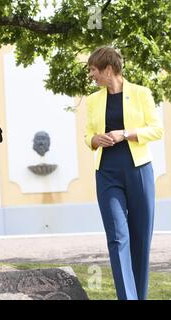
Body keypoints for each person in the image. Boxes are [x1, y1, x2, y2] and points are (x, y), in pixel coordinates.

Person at [85, 46, 164, 299]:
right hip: (107, 172)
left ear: (109, 70)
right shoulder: (93, 100)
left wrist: (126, 134)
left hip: (139, 171)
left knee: (140, 240)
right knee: (118, 238)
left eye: (94, 70)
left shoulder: (141, 94)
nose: (91, 76)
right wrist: (95, 139)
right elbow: (88, 134)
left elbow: (156, 129)